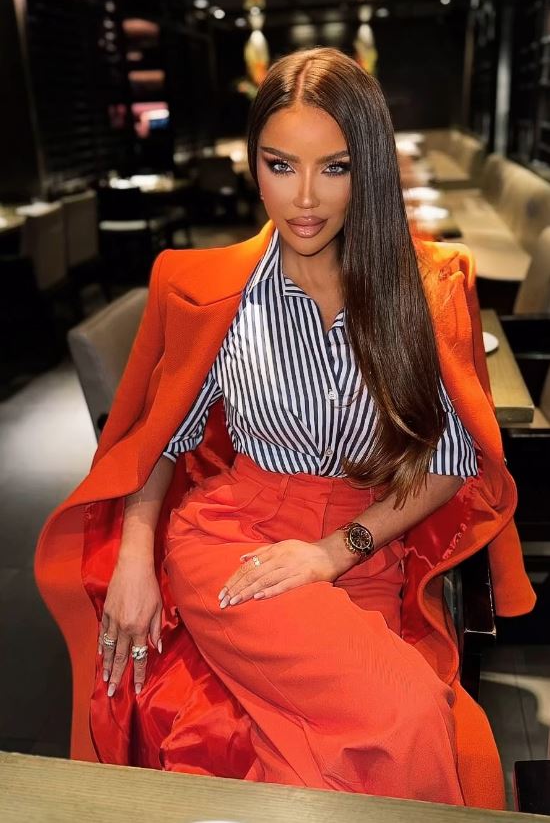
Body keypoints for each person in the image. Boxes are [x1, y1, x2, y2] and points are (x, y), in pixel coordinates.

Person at [35, 48, 535, 809]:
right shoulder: (205, 288)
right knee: (404, 713)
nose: (304, 198)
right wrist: (135, 553)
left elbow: (449, 458)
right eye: (280, 165)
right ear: (253, 164)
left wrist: (337, 550)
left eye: (334, 168)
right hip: (233, 539)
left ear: (368, 168)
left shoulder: (427, 287)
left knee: (349, 750)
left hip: (366, 544)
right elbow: (161, 440)